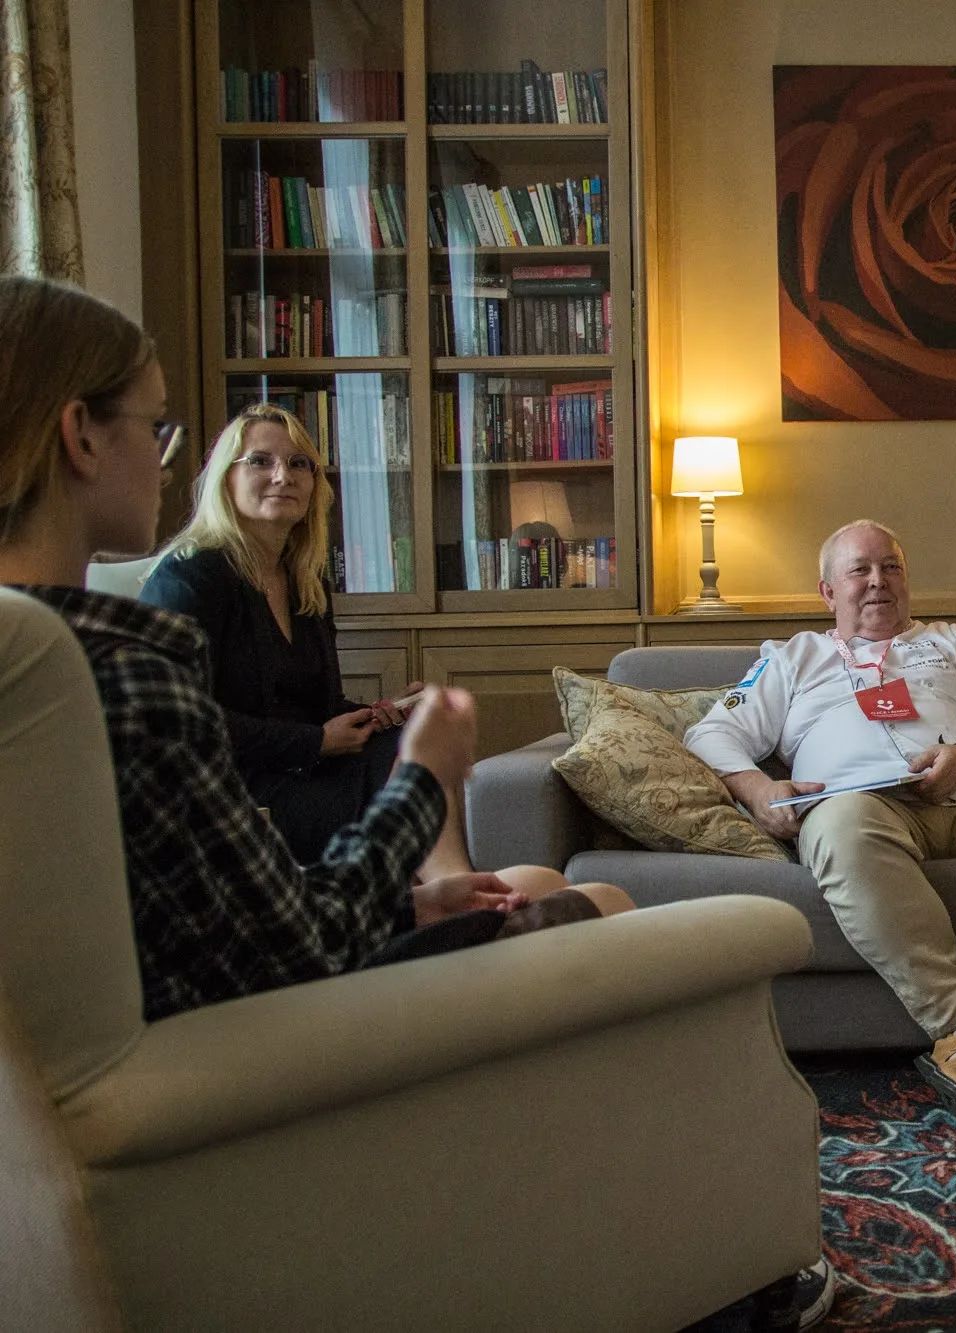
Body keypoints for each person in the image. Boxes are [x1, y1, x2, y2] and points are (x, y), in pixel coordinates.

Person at [0, 275, 629, 1022]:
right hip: (273, 1044)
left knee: (521, 877)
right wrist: (425, 775)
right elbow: (299, 941)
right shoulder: (121, 672)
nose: (165, 460)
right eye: (154, 427)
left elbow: (233, 921)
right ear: (81, 436)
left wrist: (414, 899)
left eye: (299, 464)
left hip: (214, 1008)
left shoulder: (48, 654)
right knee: (603, 897)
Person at [684, 519, 956, 1133]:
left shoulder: (952, 641)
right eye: (860, 570)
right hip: (861, 806)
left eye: (892, 567)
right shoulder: (794, 656)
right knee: (836, 830)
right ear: (828, 592)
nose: (879, 582)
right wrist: (758, 787)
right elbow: (712, 732)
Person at [139, 403, 467, 872]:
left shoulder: (305, 581)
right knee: (405, 773)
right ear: (224, 479)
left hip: (303, 767)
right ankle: (450, 890)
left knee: (421, 737)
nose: (283, 475)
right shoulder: (191, 577)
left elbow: (316, 706)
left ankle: (447, 890)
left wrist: (377, 714)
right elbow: (180, 722)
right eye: (260, 461)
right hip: (230, 788)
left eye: (299, 464)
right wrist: (313, 743)